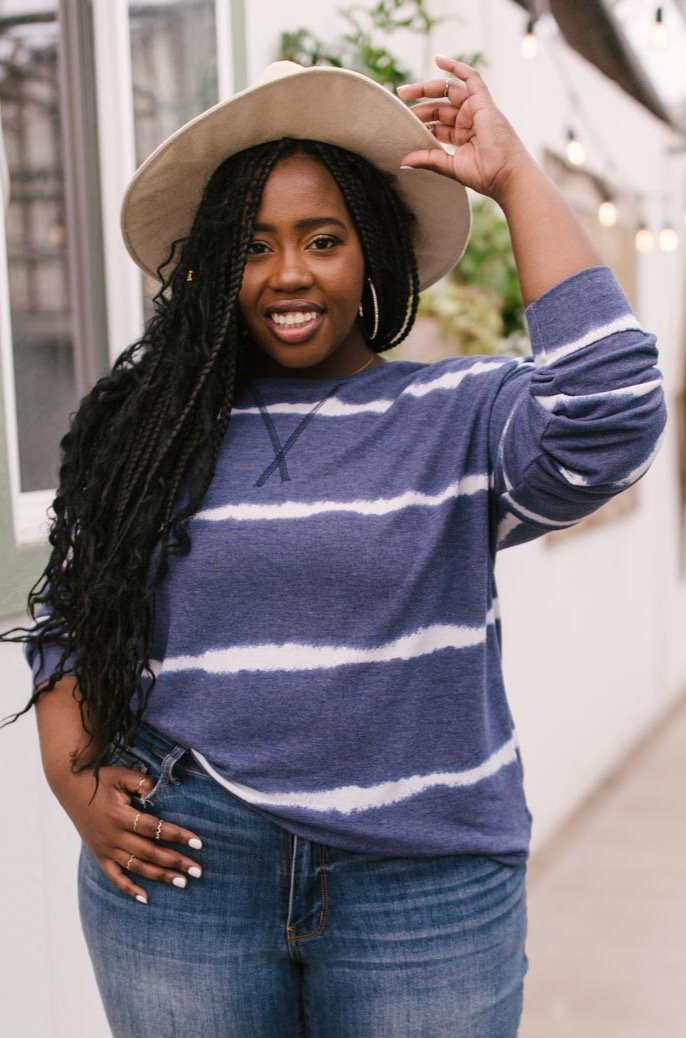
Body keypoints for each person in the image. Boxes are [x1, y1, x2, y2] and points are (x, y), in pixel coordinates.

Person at [1, 55, 666, 1037]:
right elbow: (69, 606)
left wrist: (515, 175)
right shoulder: (151, 431)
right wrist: (73, 774)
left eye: (322, 239)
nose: (288, 274)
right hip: (191, 865)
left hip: (423, 885)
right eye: (253, 246)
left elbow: (609, 411)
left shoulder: (457, 413)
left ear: (374, 254)